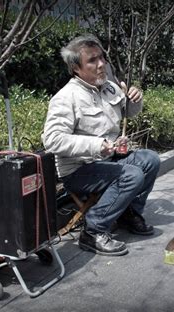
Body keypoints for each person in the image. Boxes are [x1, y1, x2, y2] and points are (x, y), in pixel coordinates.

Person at [43, 34, 160, 256]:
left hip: (108, 160)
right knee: (132, 175)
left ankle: (128, 213)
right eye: (92, 61)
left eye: (102, 58)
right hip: (80, 170)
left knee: (151, 160)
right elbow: (52, 139)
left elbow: (129, 112)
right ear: (76, 68)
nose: (101, 65)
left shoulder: (109, 87)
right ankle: (93, 231)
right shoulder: (66, 97)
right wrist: (97, 145)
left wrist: (135, 99)